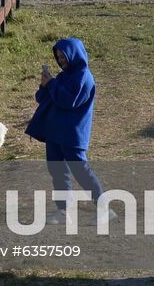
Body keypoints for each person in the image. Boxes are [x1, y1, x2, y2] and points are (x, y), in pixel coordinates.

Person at [25, 37, 106, 225]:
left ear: (74, 53)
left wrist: (52, 84)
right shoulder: (64, 76)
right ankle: (63, 211)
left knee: (80, 171)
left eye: (63, 57)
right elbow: (42, 98)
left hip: (72, 134)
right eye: (59, 57)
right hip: (55, 133)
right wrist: (45, 84)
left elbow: (68, 100)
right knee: (57, 171)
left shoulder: (83, 76)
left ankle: (104, 209)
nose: (61, 61)